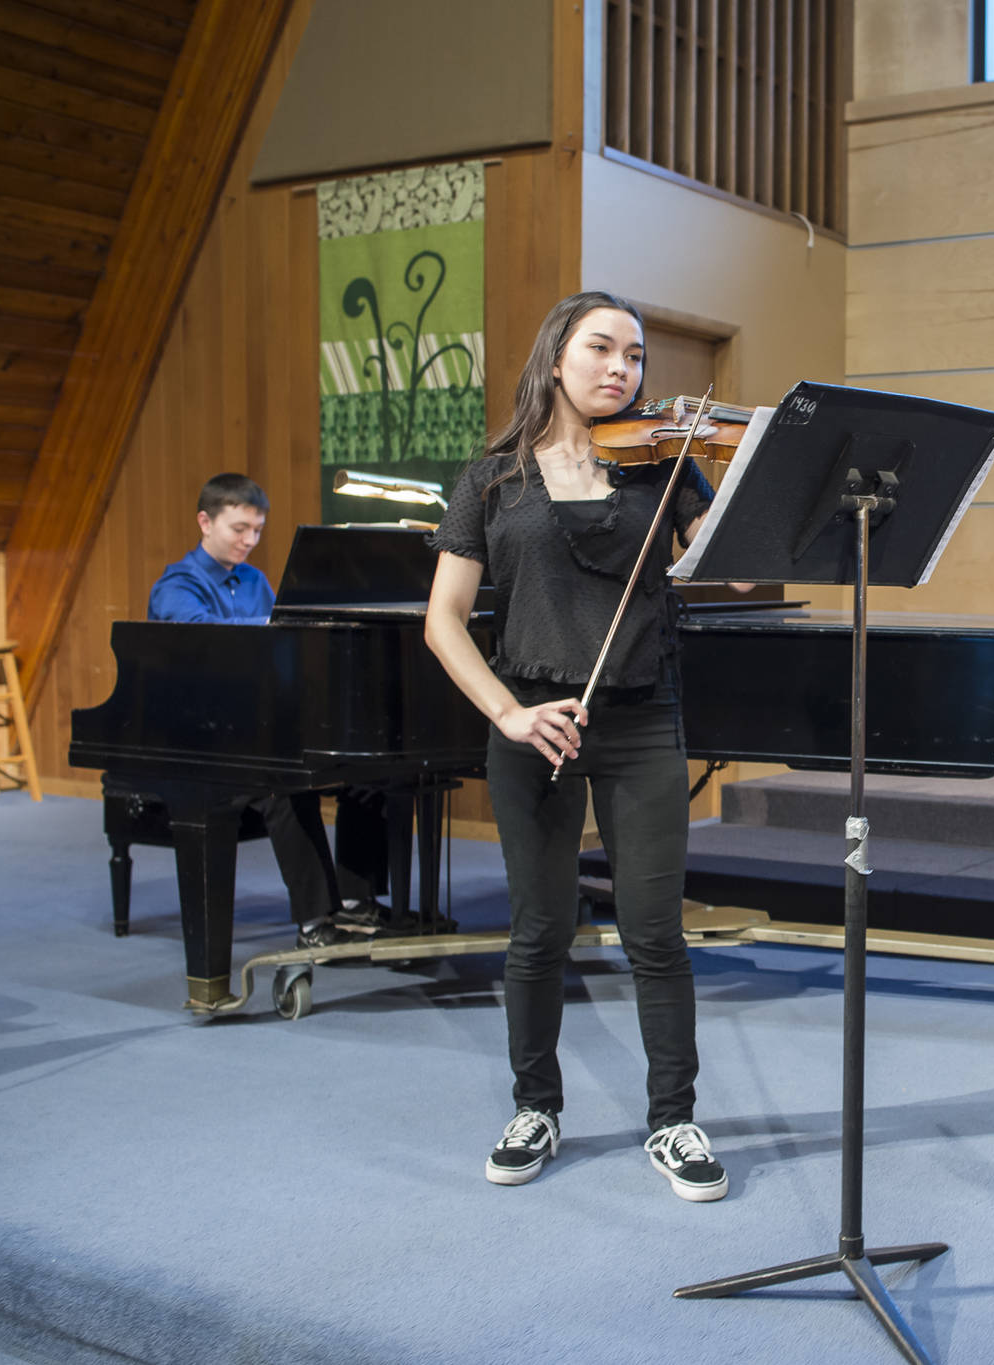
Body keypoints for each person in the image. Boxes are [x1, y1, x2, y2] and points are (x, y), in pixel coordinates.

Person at [423, 290, 727, 1199]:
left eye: (635, 357)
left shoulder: (660, 472)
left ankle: (673, 1118)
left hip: (641, 721)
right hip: (532, 722)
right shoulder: (491, 481)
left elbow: (734, 566)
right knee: (540, 928)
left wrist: (725, 479)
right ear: (556, 356)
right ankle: (536, 1106)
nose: (621, 369)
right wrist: (508, 715)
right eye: (602, 349)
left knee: (654, 932)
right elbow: (442, 622)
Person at [148, 473, 389, 946]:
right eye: (239, 529)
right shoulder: (177, 584)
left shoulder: (256, 581)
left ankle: (357, 904)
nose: (250, 540)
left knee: (368, 774)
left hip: (260, 725)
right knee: (286, 786)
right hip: (206, 737)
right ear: (205, 521)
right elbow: (203, 643)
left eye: (257, 530)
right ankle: (316, 922)